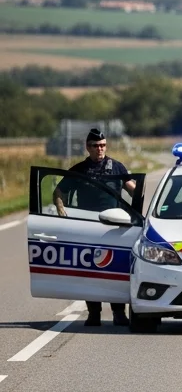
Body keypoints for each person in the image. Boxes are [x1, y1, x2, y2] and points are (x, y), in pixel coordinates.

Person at [53, 128, 136, 328]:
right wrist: (60, 208)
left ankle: (118, 313)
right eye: (95, 146)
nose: (100, 149)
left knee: (115, 269)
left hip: (114, 226)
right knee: (89, 270)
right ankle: (93, 313)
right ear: (87, 147)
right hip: (87, 226)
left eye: (102, 146)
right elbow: (59, 191)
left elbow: (132, 188)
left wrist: (141, 210)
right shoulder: (79, 170)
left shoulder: (117, 167)